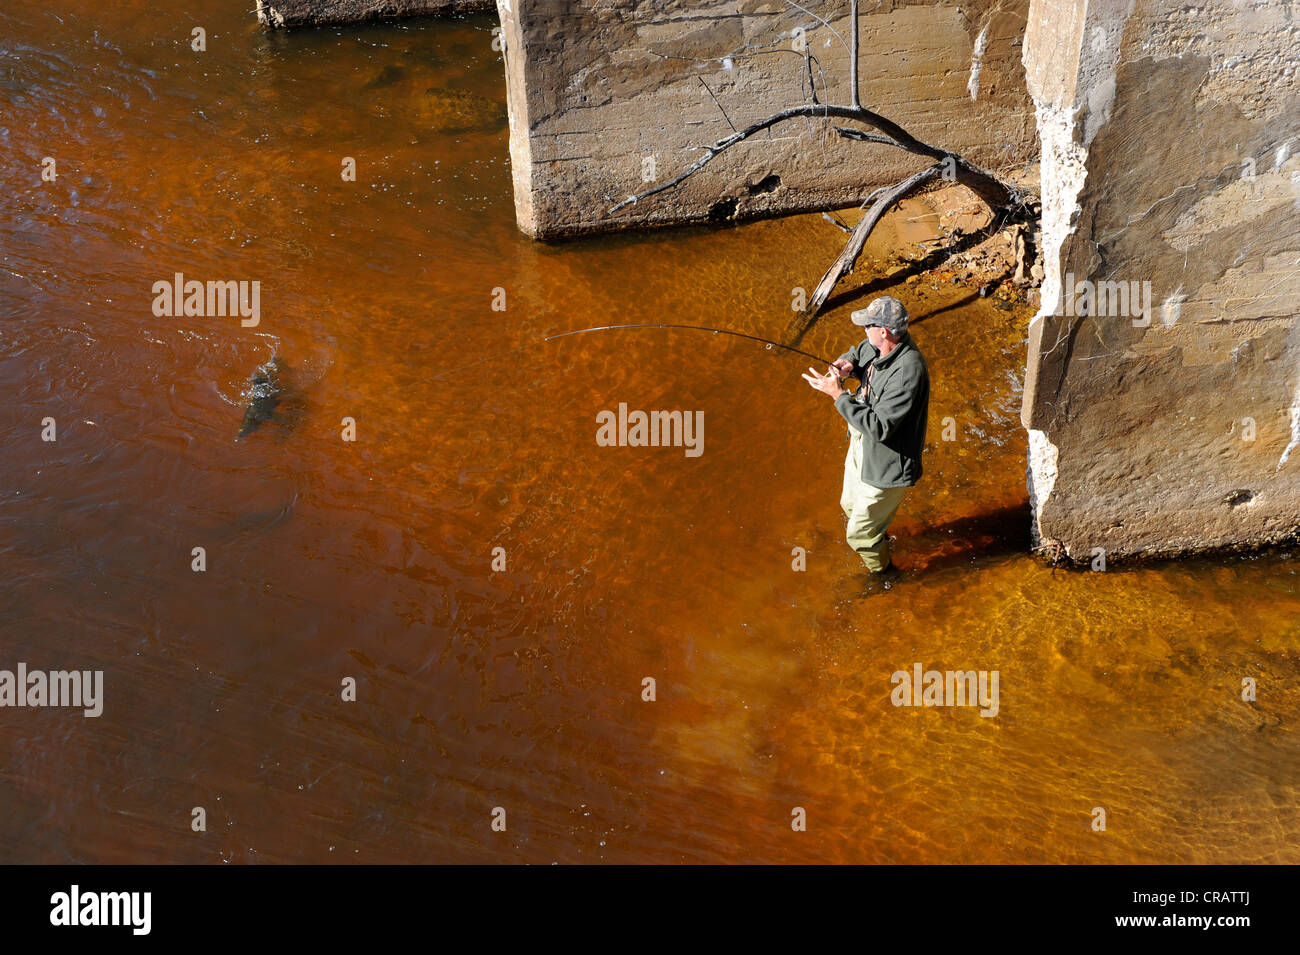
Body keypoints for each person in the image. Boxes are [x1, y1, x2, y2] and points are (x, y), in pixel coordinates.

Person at [801, 296, 930, 575]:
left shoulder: (908, 371)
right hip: (863, 448)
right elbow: (858, 352)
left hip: (887, 466)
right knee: (849, 504)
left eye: (867, 325)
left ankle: (885, 575)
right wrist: (846, 364)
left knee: (857, 535)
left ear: (883, 331)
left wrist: (837, 394)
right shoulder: (878, 346)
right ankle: (879, 534)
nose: (863, 330)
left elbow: (880, 427)